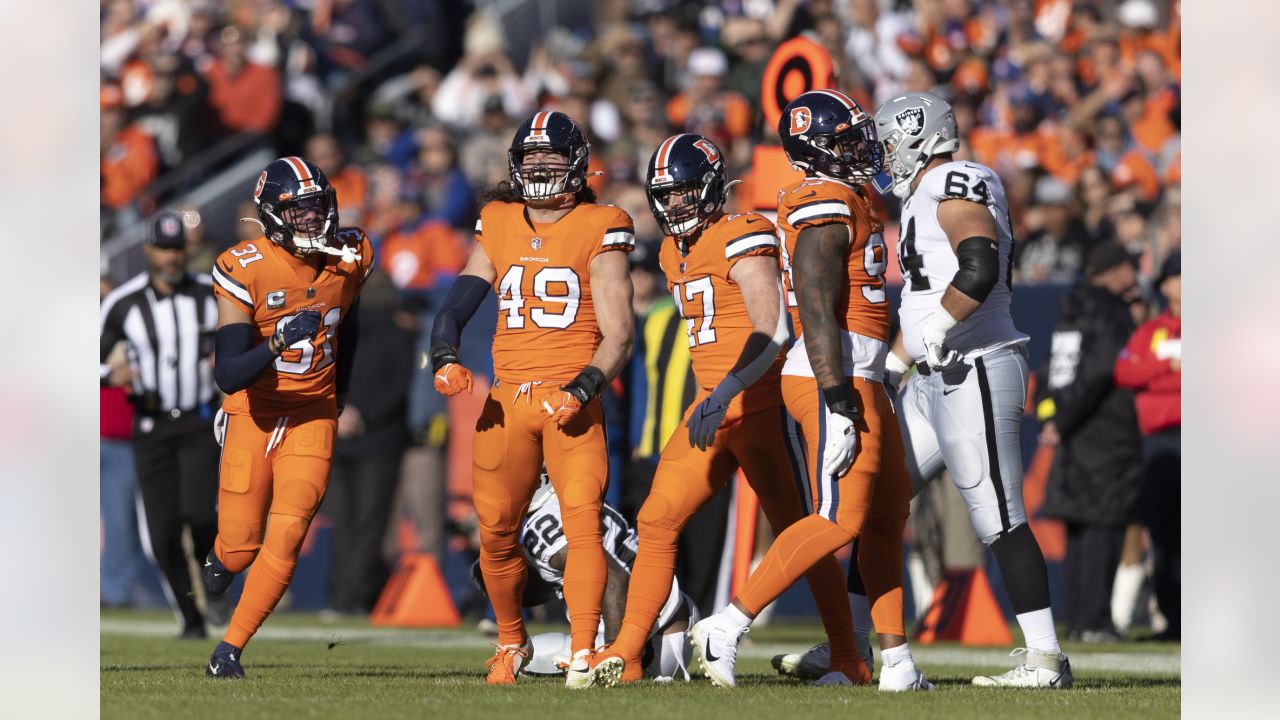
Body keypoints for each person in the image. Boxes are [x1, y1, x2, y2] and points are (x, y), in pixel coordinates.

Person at [591, 134, 855, 688]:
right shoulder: (668, 250)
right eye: (665, 194)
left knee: (798, 534)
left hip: (758, 408)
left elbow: (773, 328)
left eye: (685, 192)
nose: (675, 205)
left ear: (712, 186)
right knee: (656, 520)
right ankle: (626, 653)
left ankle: (847, 654)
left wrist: (725, 388)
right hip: (709, 409)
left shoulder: (743, 232)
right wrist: (711, 396)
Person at [691, 90, 930, 691]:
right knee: (838, 519)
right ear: (814, 151)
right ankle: (727, 625)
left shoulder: (850, 196)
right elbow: (819, 308)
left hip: (862, 373)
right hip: (836, 374)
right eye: (846, 141)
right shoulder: (823, 199)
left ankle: (896, 663)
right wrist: (837, 396)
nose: (860, 150)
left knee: (886, 515)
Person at [871, 91, 1072, 687]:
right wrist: (893, 363)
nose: (884, 153)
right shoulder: (918, 197)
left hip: (976, 363)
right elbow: (926, 300)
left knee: (998, 513)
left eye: (889, 140)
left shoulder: (954, 178)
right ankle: (852, 646)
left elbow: (978, 263)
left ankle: (1045, 658)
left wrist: (937, 326)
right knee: (875, 499)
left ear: (917, 136)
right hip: (934, 370)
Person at [429, 110, 635, 687]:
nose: (541, 167)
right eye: (532, 158)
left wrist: (582, 388)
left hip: (568, 397)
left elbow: (619, 333)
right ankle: (510, 641)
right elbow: (457, 303)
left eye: (552, 157)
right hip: (507, 400)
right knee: (494, 532)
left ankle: (584, 648)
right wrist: (445, 355)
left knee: (583, 523)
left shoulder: (603, 222)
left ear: (578, 162)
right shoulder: (496, 220)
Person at [202, 156, 373, 678]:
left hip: (312, 411)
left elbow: (351, 328)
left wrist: (339, 397)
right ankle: (221, 561)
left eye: (318, 206)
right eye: (297, 211)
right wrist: (276, 341)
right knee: (239, 547)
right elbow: (229, 373)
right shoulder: (242, 265)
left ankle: (229, 649)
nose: (311, 219)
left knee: (291, 527)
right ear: (272, 215)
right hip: (252, 411)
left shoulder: (354, 254)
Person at [99, 211, 221, 638]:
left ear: (186, 249)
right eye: (163, 248)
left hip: (200, 421)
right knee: (163, 533)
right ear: (148, 249)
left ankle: (216, 587)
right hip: (150, 426)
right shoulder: (124, 302)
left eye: (177, 248)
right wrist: (106, 375)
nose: (171, 257)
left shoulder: (212, 294)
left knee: (202, 516)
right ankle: (190, 616)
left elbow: (247, 339)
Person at [470, 476, 698, 682]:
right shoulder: (572, 497)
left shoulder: (543, 525)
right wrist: (507, 584)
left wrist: (617, 653)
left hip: (651, 640)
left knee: (527, 659)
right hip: (673, 616)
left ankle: (621, 659)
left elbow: (613, 578)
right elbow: (562, 582)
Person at [1036, 241, 1144, 642]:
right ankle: (1096, 621)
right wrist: (1065, 421)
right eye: (1129, 267)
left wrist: (1052, 417)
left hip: (1073, 429)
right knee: (1104, 521)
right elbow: (1101, 371)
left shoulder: (1073, 308)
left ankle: (1080, 619)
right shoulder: (1110, 310)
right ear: (1115, 271)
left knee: (1080, 525)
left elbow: (1050, 369)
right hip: (1105, 429)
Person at [324, 271, 414, 616]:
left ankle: (339, 596)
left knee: (343, 521)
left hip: (340, 435)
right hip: (381, 440)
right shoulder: (400, 332)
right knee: (369, 522)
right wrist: (367, 415)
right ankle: (356, 596)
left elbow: (323, 375)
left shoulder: (339, 331)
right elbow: (399, 387)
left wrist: (340, 411)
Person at [1114, 250, 1180, 639]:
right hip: (1157, 442)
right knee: (1164, 534)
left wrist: (1160, 378)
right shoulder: (1153, 330)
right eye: (1177, 278)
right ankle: (1172, 619)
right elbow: (1126, 370)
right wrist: (1168, 369)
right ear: (1167, 286)